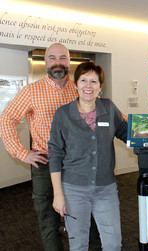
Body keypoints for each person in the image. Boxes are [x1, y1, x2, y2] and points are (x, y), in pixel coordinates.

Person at [0, 43, 100, 251]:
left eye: (62, 58)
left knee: (87, 213)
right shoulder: (31, 91)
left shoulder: (80, 87)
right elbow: (6, 119)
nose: (57, 63)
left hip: (77, 163)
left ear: (69, 61)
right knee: (48, 217)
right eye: (52, 58)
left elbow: (106, 115)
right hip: (45, 164)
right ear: (46, 62)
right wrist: (22, 153)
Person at [49, 61, 128, 250]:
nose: (88, 86)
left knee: (113, 242)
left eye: (94, 81)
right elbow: (55, 154)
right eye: (83, 80)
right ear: (75, 83)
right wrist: (58, 194)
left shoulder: (108, 108)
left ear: (100, 86)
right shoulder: (63, 114)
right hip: (73, 190)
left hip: (105, 189)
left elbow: (126, 132)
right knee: (78, 242)